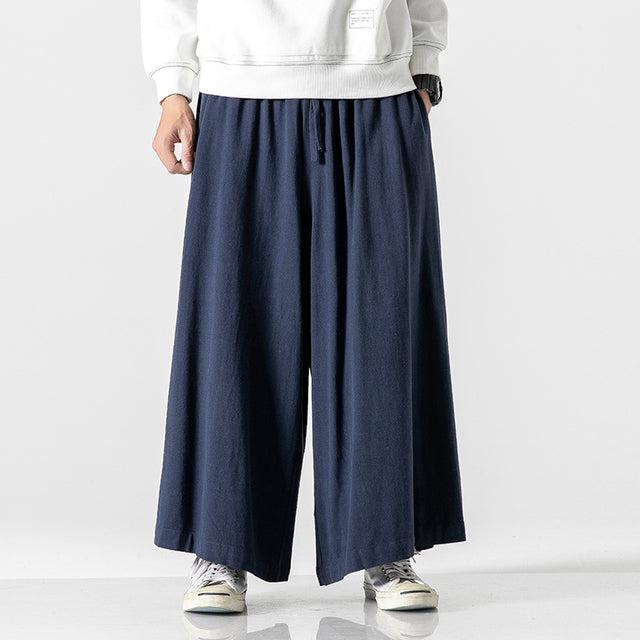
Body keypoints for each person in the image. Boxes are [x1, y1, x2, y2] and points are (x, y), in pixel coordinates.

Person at [141, 0, 465, 613]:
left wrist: (424, 63)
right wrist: (172, 86)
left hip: (376, 89)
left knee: (381, 331)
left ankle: (386, 543)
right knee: (235, 329)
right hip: (241, 90)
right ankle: (221, 547)